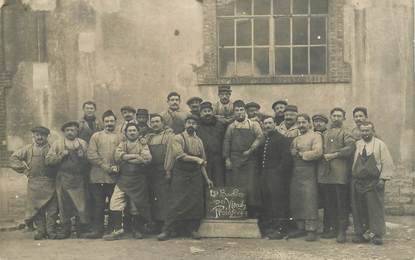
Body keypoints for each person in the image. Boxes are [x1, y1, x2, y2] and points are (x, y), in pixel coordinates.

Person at [158, 115, 213, 241]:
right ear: (185, 124)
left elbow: (203, 162)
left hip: (195, 175)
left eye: (194, 123)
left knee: (195, 202)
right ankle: (167, 230)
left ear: (197, 126)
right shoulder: (177, 138)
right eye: (189, 122)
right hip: (180, 174)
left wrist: (207, 178)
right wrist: (196, 159)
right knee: (176, 202)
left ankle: (192, 230)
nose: (191, 125)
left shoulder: (199, 141)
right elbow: (180, 156)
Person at [104, 123, 153, 240]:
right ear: (126, 133)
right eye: (129, 130)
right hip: (124, 178)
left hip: (138, 180)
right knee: (115, 202)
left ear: (138, 132)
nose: (132, 132)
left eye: (134, 130)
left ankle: (137, 230)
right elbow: (117, 156)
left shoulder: (143, 144)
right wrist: (136, 156)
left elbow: (147, 159)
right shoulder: (123, 144)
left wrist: (126, 158)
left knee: (136, 205)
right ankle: (118, 229)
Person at [9, 126, 58, 240]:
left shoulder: (52, 148)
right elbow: (13, 158)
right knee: (37, 209)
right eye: (37, 135)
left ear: (47, 136)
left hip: (51, 182)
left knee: (52, 209)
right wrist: (24, 169)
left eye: (42, 135)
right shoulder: (27, 149)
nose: (40, 137)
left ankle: (51, 231)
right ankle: (40, 230)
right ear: (34, 136)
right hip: (34, 183)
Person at [351, 121, 394, 245]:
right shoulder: (358, 144)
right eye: (363, 131)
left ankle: (377, 234)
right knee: (360, 209)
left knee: (374, 209)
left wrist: (382, 179)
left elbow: (387, 162)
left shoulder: (380, 145)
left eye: (367, 130)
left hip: (374, 182)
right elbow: (354, 162)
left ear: (373, 131)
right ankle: (362, 234)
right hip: (359, 182)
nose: (365, 133)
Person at [45, 121, 89, 239]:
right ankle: (65, 230)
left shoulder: (83, 143)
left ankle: (81, 229)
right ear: (64, 132)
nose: (70, 132)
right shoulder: (58, 144)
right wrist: (60, 156)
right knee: (64, 205)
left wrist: (83, 157)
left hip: (79, 179)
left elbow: (90, 161)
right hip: (63, 178)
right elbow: (48, 160)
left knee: (81, 205)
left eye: (73, 130)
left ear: (77, 131)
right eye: (67, 130)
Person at [318, 108, 355, 243]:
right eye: (334, 115)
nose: (336, 118)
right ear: (331, 117)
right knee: (329, 203)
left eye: (339, 116)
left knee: (341, 203)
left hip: (340, 174)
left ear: (344, 118)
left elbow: (350, 148)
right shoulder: (325, 133)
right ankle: (331, 229)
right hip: (326, 174)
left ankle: (342, 231)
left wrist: (334, 154)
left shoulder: (347, 133)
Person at [83, 110, 121, 239]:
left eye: (112, 121)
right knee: (97, 204)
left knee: (113, 204)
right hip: (97, 176)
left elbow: (123, 153)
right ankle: (97, 230)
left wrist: (118, 166)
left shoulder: (121, 136)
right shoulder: (96, 136)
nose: (109, 123)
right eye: (107, 121)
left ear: (115, 122)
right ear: (103, 122)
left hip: (114, 176)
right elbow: (91, 154)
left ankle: (111, 230)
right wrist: (104, 166)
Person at [223, 100, 263, 217]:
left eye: (241, 110)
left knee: (251, 185)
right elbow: (226, 142)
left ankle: (252, 211)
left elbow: (260, 137)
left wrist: (251, 150)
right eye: (237, 110)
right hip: (235, 159)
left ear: (245, 111)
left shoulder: (253, 124)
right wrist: (227, 159)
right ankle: (238, 211)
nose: (239, 112)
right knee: (236, 185)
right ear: (234, 112)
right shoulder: (231, 127)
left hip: (250, 159)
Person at [289, 114, 323, 242]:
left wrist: (301, 154)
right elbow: (291, 152)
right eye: (299, 123)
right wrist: (292, 153)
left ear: (309, 123)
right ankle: (300, 227)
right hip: (296, 172)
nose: (301, 125)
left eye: (304, 122)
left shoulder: (316, 136)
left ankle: (311, 229)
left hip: (309, 172)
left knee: (309, 199)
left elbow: (318, 152)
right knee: (297, 199)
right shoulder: (296, 139)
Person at [257, 116, 292, 240]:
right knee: (267, 201)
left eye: (270, 123)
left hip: (276, 176)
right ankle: (271, 228)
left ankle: (280, 229)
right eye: (265, 123)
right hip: (265, 175)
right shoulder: (266, 139)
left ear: (275, 124)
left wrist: (278, 173)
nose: (267, 126)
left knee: (278, 202)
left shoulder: (281, 139)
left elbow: (286, 159)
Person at [145, 114, 174, 232]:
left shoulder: (169, 136)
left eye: (157, 121)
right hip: (150, 171)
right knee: (152, 197)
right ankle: (155, 224)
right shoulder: (148, 137)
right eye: (153, 122)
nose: (155, 124)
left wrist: (168, 170)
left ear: (162, 123)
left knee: (164, 198)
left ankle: (167, 226)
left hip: (163, 170)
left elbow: (170, 154)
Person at [197, 101, 227, 187]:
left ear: (212, 112)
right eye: (204, 111)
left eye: (209, 111)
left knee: (219, 181)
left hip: (218, 158)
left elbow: (225, 140)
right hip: (203, 159)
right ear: (201, 113)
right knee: (205, 182)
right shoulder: (197, 126)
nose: (207, 113)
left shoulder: (220, 124)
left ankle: (218, 201)